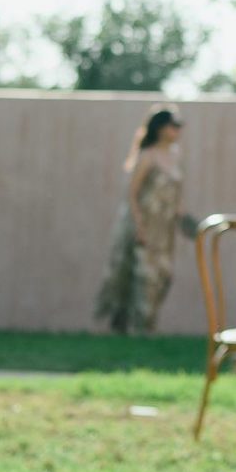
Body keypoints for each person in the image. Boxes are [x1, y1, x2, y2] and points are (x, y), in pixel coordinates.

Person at [95, 108, 185, 335]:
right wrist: (139, 227)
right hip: (143, 225)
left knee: (163, 276)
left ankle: (147, 327)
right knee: (140, 276)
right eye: (173, 125)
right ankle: (135, 330)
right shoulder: (147, 156)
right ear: (160, 128)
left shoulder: (175, 155)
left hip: (164, 230)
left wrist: (180, 214)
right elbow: (132, 194)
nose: (177, 130)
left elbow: (174, 193)